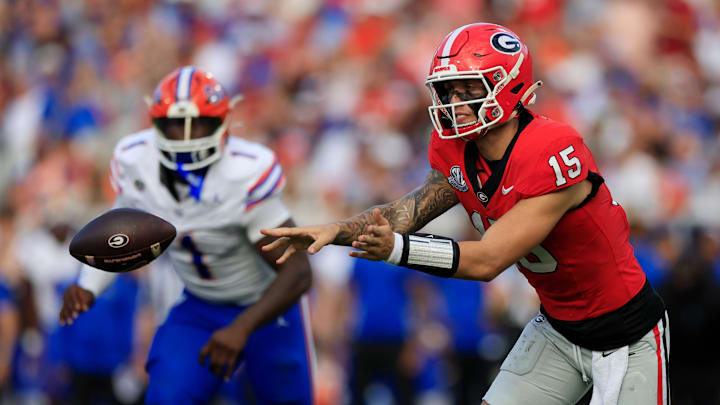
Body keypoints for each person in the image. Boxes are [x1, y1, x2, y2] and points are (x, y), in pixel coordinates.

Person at [262, 23, 669, 405]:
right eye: (447, 90)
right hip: (559, 330)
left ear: (510, 87)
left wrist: (396, 249)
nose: (455, 103)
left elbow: (488, 260)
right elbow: (403, 214)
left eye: (468, 88)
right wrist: (335, 230)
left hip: (626, 335)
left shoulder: (552, 150)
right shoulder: (455, 151)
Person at [58, 67, 315, 405]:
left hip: (268, 308)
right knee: (168, 394)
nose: (187, 137)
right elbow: (118, 234)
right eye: (176, 125)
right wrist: (87, 284)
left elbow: (298, 272)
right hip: (200, 306)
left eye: (199, 124)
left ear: (223, 123)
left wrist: (242, 327)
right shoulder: (137, 163)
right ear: (156, 123)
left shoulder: (244, 172)